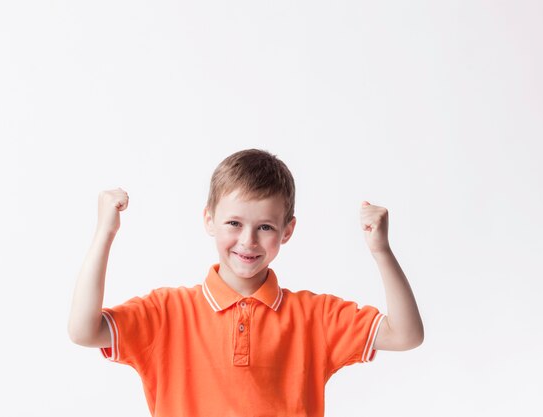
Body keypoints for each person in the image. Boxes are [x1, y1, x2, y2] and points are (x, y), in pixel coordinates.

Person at [68, 148, 424, 417]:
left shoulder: (314, 317)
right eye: (234, 223)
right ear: (209, 219)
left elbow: (405, 335)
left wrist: (381, 250)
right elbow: (84, 331)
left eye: (265, 227)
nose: (248, 241)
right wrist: (105, 233)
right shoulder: (167, 312)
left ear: (288, 231)